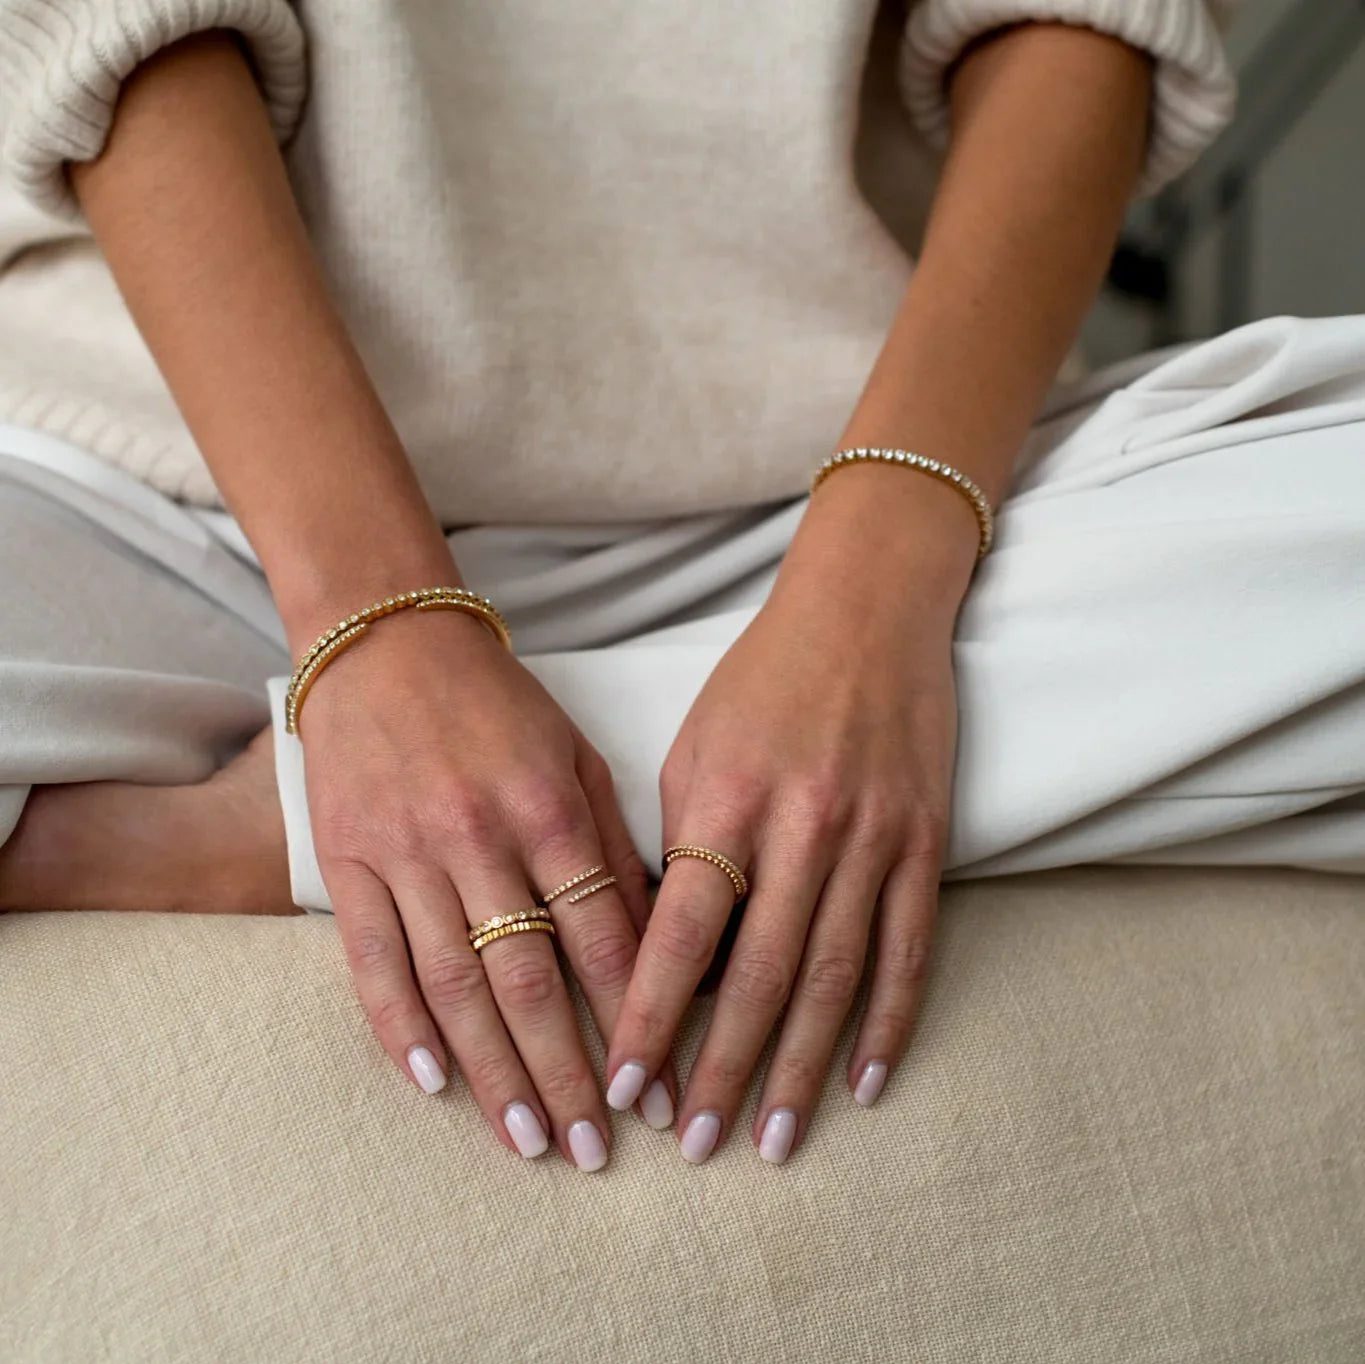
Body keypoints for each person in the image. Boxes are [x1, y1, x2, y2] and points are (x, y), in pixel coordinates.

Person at [3, 1, 1363, 1174]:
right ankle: (433, 766)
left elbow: (1076, 23)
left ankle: (250, 824)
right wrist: (383, 635)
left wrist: (864, 601)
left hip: (825, 502)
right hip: (156, 490)